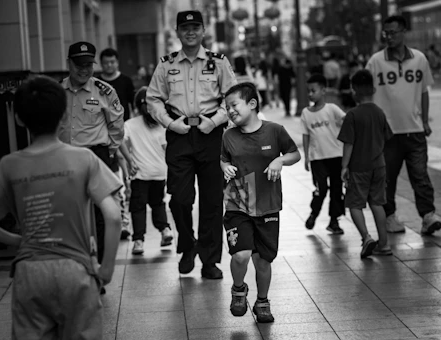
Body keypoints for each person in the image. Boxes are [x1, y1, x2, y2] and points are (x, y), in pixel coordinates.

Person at [0, 75, 122, 338]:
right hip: (76, 269)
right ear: (63, 116)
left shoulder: (9, 165)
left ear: (18, 119)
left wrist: (17, 240)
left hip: (30, 273)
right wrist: (105, 271)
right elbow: (114, 217)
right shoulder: (84, 158)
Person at [146, 10, 237, 279]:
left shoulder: (218, 62)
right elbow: (153, 99)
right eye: (185, 27)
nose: (190, 32)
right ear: (177, 32)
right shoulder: (166, 64)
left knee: (212, 200)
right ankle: (187, 246)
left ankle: (210, 260)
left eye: (195, 27)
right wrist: (169, 123)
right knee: (180, 200)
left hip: (212, 135)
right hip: (179, 133)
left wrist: (216, 120)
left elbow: (231, 98)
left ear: (203, 30)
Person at [221, 82, 300, 323]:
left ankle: (262, 301)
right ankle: (238, 290)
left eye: (234, 105)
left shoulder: (275, 130)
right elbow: (223, 159)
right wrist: (225, 167)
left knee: (263, 261)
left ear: (252, 104)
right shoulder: (228, 135)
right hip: (238, 204)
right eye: (227, 108)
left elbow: (295, 153)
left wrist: (279, 161)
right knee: (241, 255)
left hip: (267, 205)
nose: (230, 111)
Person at [58, 41, 124, 292]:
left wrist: (111, 149)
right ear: (69, 64)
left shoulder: (104, 91)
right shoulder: (57, 91)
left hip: (96, 155)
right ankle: (77, 265)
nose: (84, 70)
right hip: (65, 156)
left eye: (89, 65)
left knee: (101, 214)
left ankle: (97, 270)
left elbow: (117, 122)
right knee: (71, 213)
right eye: (79, 65)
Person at [366, 15, 441, 235]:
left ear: (403, 32)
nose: (388, 37)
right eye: (386, 33)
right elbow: (366, 94)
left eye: (393, 32)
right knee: (387, 178)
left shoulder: (419, 59)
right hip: (387, 133)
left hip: (415, 130)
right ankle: (390, 217)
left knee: (420, 176)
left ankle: (428, 216)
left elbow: (424, 91)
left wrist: (425, 120)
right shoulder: (376, 61)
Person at [338, 70, 394, 258]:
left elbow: (349, 143)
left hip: (359, 167)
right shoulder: (379, 112)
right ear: (373, 89)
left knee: (355, 204)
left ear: (353, 91)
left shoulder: (352, 115)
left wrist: (344, 166)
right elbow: (387, 138)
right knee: (377, 203)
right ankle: (384, 245)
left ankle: (366, 238)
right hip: (379, 166)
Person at [119, 86, 173, 255]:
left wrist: (129, 160)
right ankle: (165, 231)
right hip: (159, 173)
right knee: (158, 203)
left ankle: (138, 241)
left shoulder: (130, 124)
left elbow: (119, 141)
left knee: (138, 207)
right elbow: (167, 149)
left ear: (136, 107)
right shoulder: (162, 125)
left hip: (139, 174)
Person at [301, 74, 346, 234]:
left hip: (336, 156)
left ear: (323, 90)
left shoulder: (332, 109)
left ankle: (334, 221)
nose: (310, 94)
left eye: (313, 90)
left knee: (336, 189)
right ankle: (314, 213)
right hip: (317, 159)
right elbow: (305, 135)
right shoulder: (306, 113)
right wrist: (306, 156)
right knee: (321, 189)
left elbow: (347, 121)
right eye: (308, 91)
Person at [99, 47, 135, 240]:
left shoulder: (125, 81)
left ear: (117, 62)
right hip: (104, 132)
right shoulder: (97, 84)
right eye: (105, 63)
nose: (109, 65)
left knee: (122, 163)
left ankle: (128, 185)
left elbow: (131, 105)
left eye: (112, 62)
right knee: (116, 168)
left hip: (124, 128)